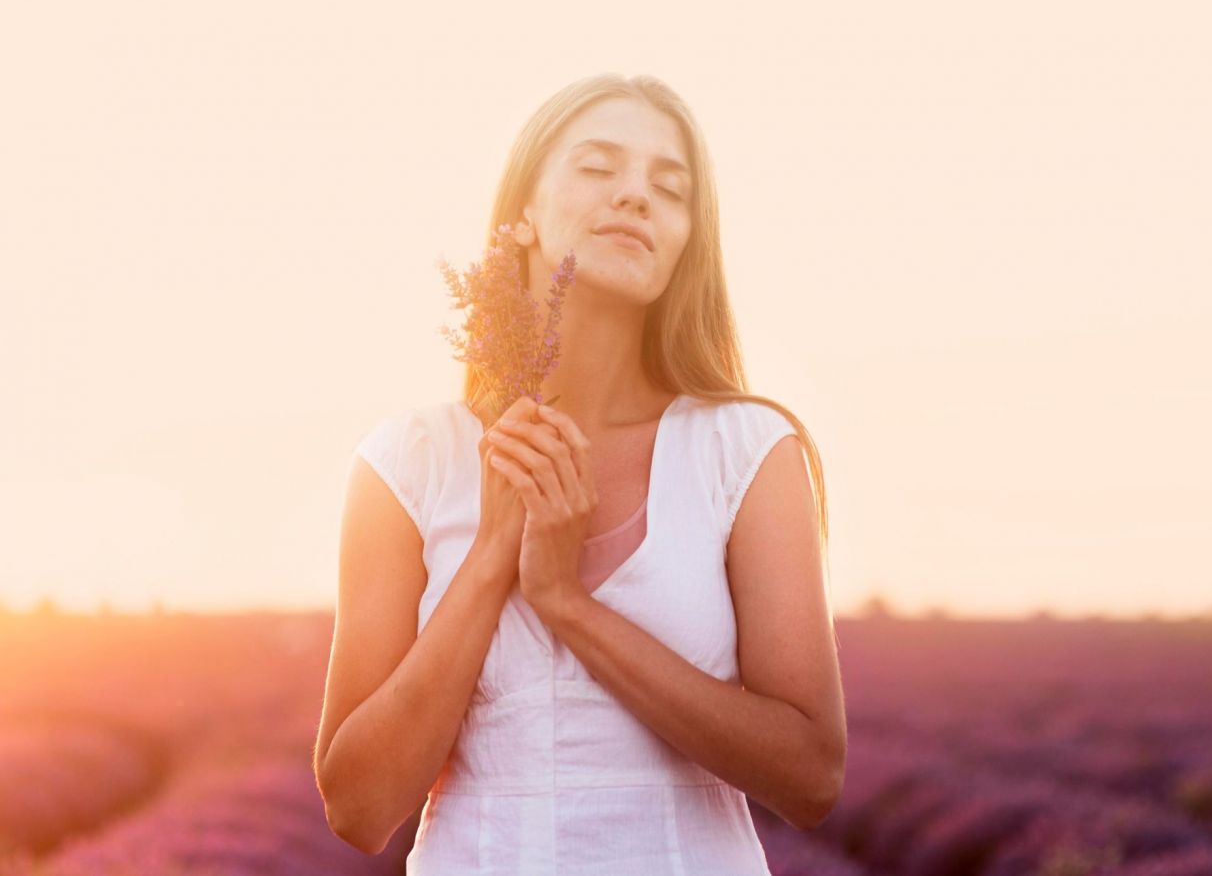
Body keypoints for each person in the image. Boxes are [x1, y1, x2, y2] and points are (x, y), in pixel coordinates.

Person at [313, 73, 846, 874]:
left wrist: (567, 603)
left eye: (670, 189)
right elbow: (358, 807)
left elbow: (810, 775)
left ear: (684, 244)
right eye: (598, 167)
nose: (635, 196)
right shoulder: (408, 464)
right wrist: (495, 552)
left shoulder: (747, 450)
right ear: (522, 213)